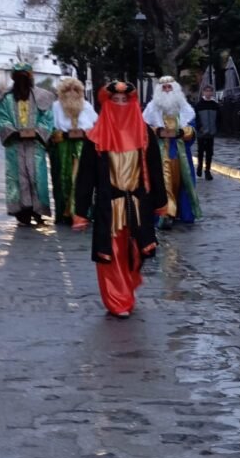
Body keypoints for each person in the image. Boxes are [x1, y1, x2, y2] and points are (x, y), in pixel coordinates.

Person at [74, 81, 167, 318]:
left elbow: (155, 169)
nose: (120, 105)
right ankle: (118, 301)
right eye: (115, 100)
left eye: (124, 100)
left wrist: (160, 201)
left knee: (135, 253)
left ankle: (126, 291)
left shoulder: (144, 133)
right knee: (111, 254)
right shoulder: (96, 136)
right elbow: (85, 177)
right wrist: (81, 211)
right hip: (110, 206)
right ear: (107, 103)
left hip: (137, 205)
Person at [0, 63, 54, 225]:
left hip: (34, 145)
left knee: (37, 177)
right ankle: (22, 212)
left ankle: (38, 210)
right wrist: (12, 131)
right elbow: (1, 116)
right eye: (19, 78)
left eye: (24, 78)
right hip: (15, 145)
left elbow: (47, 117)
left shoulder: (40, 97)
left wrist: (38, 131)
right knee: (17, 178)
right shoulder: (6, 99)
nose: (22, 81)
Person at [142, 76, 202, 229]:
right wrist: (158, 131)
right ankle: (166, 214)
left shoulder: (185, 108)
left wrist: (182, 132)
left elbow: (193, 129)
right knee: (164, 182)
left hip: (181, 155)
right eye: (164, 88)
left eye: (169, 87)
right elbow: (144, 130)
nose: (167, 90)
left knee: (182, 183)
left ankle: (182, 212)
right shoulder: (151, 109)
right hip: (161, 154)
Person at [50, 76, 98, 224]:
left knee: (81, 178)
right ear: (62, 92)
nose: (71, 93)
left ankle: (81, 211)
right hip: (63, 147)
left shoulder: (87, 106)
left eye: (75, 89)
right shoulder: (56, 107)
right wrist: (62, 135)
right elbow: (51, 129)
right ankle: (65, 212)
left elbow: (95, 125)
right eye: (68, 90)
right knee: (63, 178)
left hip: (82, 146)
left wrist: (85, 133)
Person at [195, 84, 220, 180]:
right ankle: (199, 166)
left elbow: (219, 118)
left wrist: (217, 127)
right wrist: (199, 127)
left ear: (212, 92)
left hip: (211, 132)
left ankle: (207, 170)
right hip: (201, 132)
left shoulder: (215, 105)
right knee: (201, 151)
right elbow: (196, 117)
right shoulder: (199, 105)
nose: (208, 93)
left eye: (210, 91)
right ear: (203, 92)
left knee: (209, 152)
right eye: (206, 91)